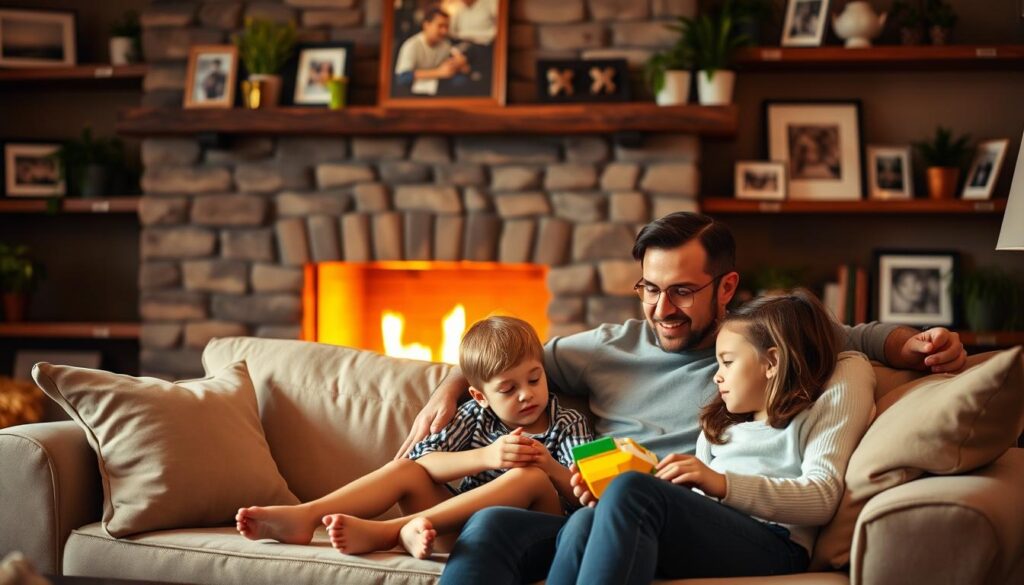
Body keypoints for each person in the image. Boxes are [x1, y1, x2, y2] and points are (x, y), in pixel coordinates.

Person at [399, 212, 967, 584]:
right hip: (610, 513)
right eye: (649, 289)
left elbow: (850, 339)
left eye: (681, 292)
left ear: (725, 287)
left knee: (625, 496)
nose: (661, 309)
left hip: (693, 513)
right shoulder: (605, 348)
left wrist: (912, 344)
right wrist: (451, 387)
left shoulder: (757, 344)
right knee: (494, 526)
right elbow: (508, 360)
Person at [546, 290, 875, 583]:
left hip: (775, 543)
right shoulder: (722, 423)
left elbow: (822, 496)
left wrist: (721, 483)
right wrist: (612, 503)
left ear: (773, 361)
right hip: (715, 532)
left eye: (727, 362)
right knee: (585, 521)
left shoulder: (826, 396)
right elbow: (692, 508)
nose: (717, 376)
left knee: (634, 491)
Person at [236, 316, 592, 559]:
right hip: (460, 530)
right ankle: (306, 515)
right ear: (481, 396)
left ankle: (390, 531)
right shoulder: (474, 415)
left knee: (528, 476)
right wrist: (487, 456)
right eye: (508, 389)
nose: (526, 395)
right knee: (406, 469)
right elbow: (425, 461)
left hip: (537, 534)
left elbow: (587, 493)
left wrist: (546, 464)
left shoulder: (568, 422)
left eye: (534, 380)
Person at [393, 7, 470, 94]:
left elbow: (448, 67)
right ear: (426, 25)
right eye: (440, 26)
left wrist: (459, 65)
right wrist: (438, 73)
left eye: (446, 27)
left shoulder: (445, 44)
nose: (444, 31)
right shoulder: (412, 45)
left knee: (460, 81)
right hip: (412, 90)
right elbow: (402, 78)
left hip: (435, 87)